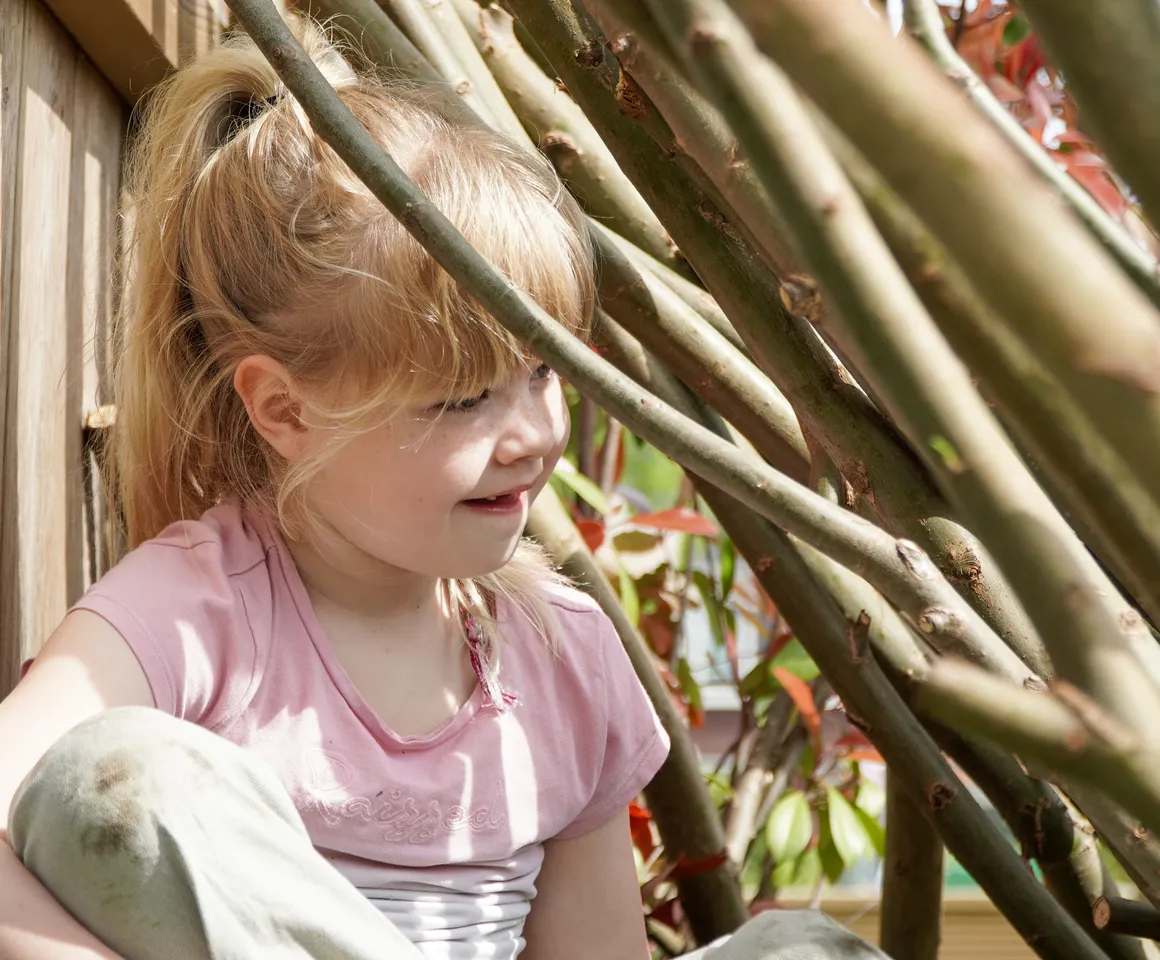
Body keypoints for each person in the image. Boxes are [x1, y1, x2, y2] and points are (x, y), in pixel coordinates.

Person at [0, 15, 888, 960]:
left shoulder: (562, 655)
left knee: (802, 950)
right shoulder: (196, 611)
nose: (534, 434)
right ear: (286, 411)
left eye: (541, 371)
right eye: (463, 399)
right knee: (115, 775)